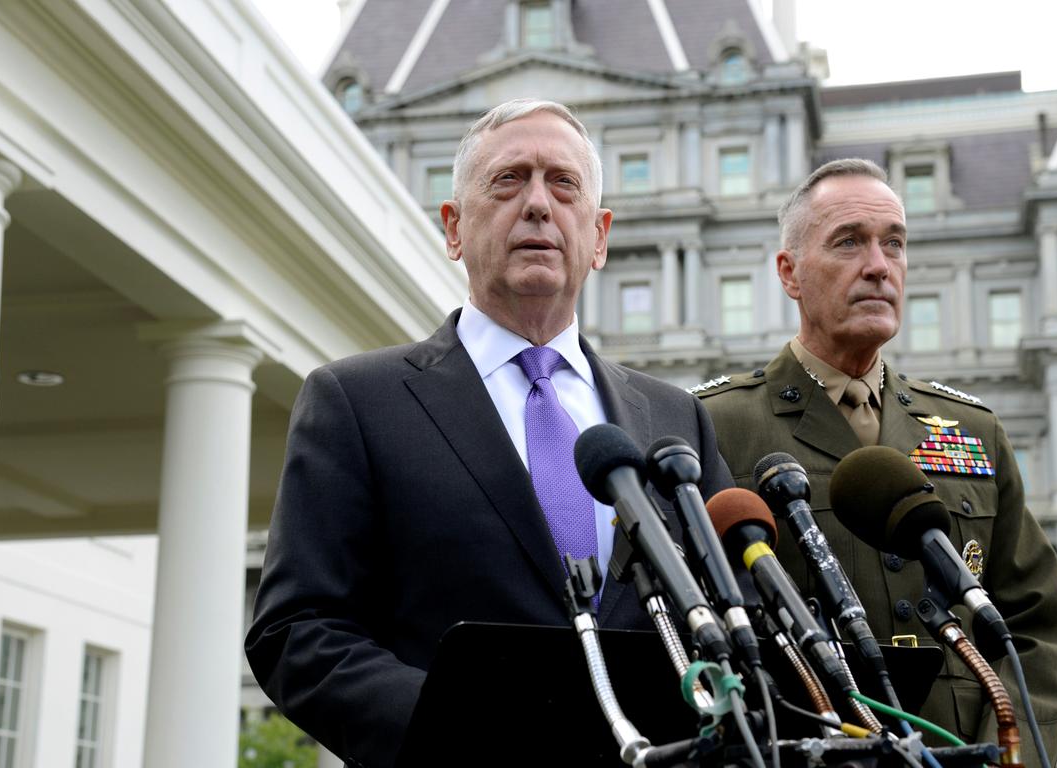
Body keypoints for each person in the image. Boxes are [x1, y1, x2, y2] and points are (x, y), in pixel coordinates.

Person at [245, 99, 732, 767]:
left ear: (599, 236)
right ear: (452, 228)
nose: (538, 204)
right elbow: (296, 632)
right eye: (508, 180)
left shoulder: (676, 418)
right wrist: (466, 728)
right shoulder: (356, 403)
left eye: (563, 184)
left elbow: (734, 622)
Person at [696, 159, 1057, 766]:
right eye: (849, 242)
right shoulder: (715, 426)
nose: (878, 265)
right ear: (790, 273)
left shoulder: (971, 431)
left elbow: (1037, 622)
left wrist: (1013, 755)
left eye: (893, 244)